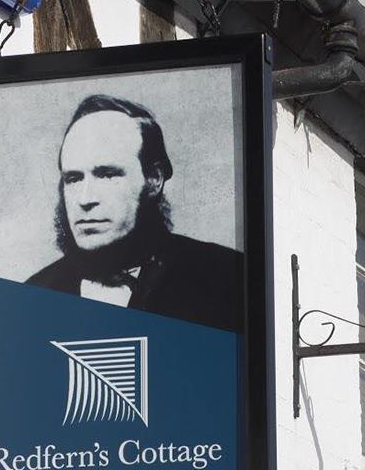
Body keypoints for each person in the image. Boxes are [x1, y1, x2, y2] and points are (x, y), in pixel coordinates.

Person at [26, 94, 243, 333]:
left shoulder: (225, 277)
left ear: (154, 179)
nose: (85, 199)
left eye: (107, 175)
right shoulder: (34, 296)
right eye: (73, 179)